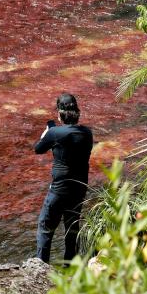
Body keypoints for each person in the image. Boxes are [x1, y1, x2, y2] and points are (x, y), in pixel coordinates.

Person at [34, 93, 93, 264]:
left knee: (45, 229)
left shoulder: (54, 133)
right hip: (79, 189)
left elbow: (38, 149)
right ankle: (70, 268)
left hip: (59, 190)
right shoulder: (87, 133)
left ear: (59, 114)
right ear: (77, 112)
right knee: (72, 229)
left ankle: (40, 271)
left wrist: (46, 134)